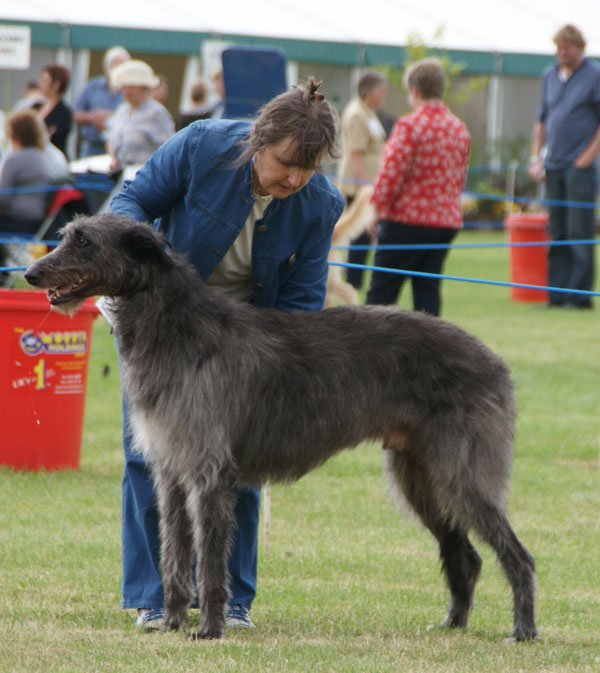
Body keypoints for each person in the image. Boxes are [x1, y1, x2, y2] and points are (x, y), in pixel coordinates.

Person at [109, 77, 344, 632]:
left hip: (244, 338)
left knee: (237, 464)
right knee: (151, 458)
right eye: (286, 162)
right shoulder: (202, 145)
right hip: (162, 321)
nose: (294, 178)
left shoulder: (321, 204)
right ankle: (155, 596)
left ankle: (231, 602)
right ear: (259, 141)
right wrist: (141, 264)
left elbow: (302, 304)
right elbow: (131, 202)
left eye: (308, 169)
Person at [365, 58, 470, 317]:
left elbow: (392, 172)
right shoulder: (459, 128)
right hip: (444, 223)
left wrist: (376, 208)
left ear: (414, 91)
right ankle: (433, 352)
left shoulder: (410, 125)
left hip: (406, 222)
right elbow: (459, 177)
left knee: (380, 295)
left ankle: (367, 354)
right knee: (427, 294)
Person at [528, 24, 599, 310]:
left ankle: (579, 296)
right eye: (558, 47)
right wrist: (536, 156)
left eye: (566, 48)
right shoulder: (549, 75)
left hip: (579, 166)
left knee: (578, 230)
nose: (561, 53)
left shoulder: (594, 75)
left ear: (579, 48)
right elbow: (541, 119)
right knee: (556, 231)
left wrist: (588, 156)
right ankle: (555, 295)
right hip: (552, 164)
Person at [337, 70, 388, 290]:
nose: (383, 96)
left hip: (369, 186)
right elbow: (356, 152)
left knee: (365, 238)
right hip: (358, 186)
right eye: (380, 91)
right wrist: (362, 185)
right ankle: (352, 282)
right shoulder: (357, 114)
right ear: (369, 92)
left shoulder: (368, 112)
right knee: (358, 236)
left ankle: (354, 281)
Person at [0, 110, 54, 271]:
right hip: (37, 221)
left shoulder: (15, 158)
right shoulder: (40, 157)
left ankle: (4, 273)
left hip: (18, 221)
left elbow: (3, 198)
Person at [106, 60, 175, 173]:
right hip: (121, 173)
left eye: (132, 87)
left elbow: (170, 148)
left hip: (146, 175)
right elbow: (111, 138)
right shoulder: (122, 110)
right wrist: (113, 157)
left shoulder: (156, 112)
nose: (127, 91)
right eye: (124, 86)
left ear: (144, 88)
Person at [73, 46, 130, 158]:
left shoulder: (130, 90)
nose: (118, 68)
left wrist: (110, 117)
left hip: (120, 149)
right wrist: (92, 117)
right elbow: (75, 114)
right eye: (114, 64)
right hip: (92, 146)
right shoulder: (93, 86)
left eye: (122, 64)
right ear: (106, 65)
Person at [36, 63, 73, 158]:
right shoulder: (35, 107)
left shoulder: (64, 112)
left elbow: (56, 136)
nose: (41, 83)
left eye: (45, 80)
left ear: (56, 85)